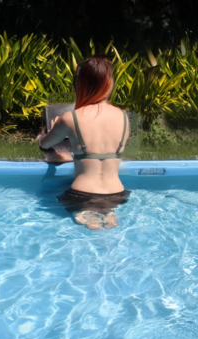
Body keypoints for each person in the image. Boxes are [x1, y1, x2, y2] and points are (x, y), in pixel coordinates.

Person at [37, 55, 130, 230]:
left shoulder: (70, 118)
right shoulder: (124, 117)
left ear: (80, 84)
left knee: (83, 220)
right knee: (106, 228)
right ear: (109, 83)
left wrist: (49, 130)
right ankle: (108, 214)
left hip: (82, 195)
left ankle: (88, 216)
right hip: (118, 194)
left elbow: (45, 144)